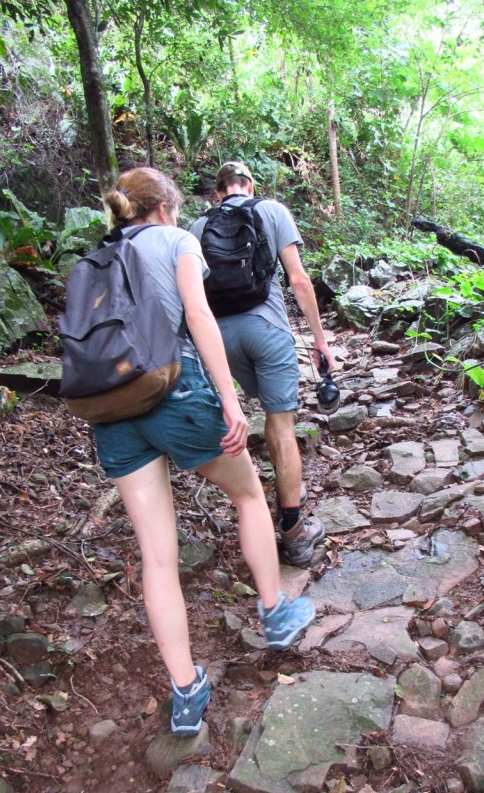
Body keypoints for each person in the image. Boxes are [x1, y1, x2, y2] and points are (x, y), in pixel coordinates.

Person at [92, 167, 316, 736]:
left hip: (113, 406)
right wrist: (229, 396)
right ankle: (276, 614)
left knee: (156, 556)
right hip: (177, 392)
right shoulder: (178, 239)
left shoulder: (98, 256)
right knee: (247, 495)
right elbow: (198, 315)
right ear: (166, 207)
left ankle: (186, 693)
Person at [190, 161, 335, 568]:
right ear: (250, 185)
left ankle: (283, 492)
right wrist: (319, 340)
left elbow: (190, 298)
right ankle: (293, 532)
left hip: (221, 342)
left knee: (267, 413)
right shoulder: (272, 211)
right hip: (267, 329)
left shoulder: (197, 228)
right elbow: (299, 280)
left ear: (218, 191)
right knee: (281, 422)